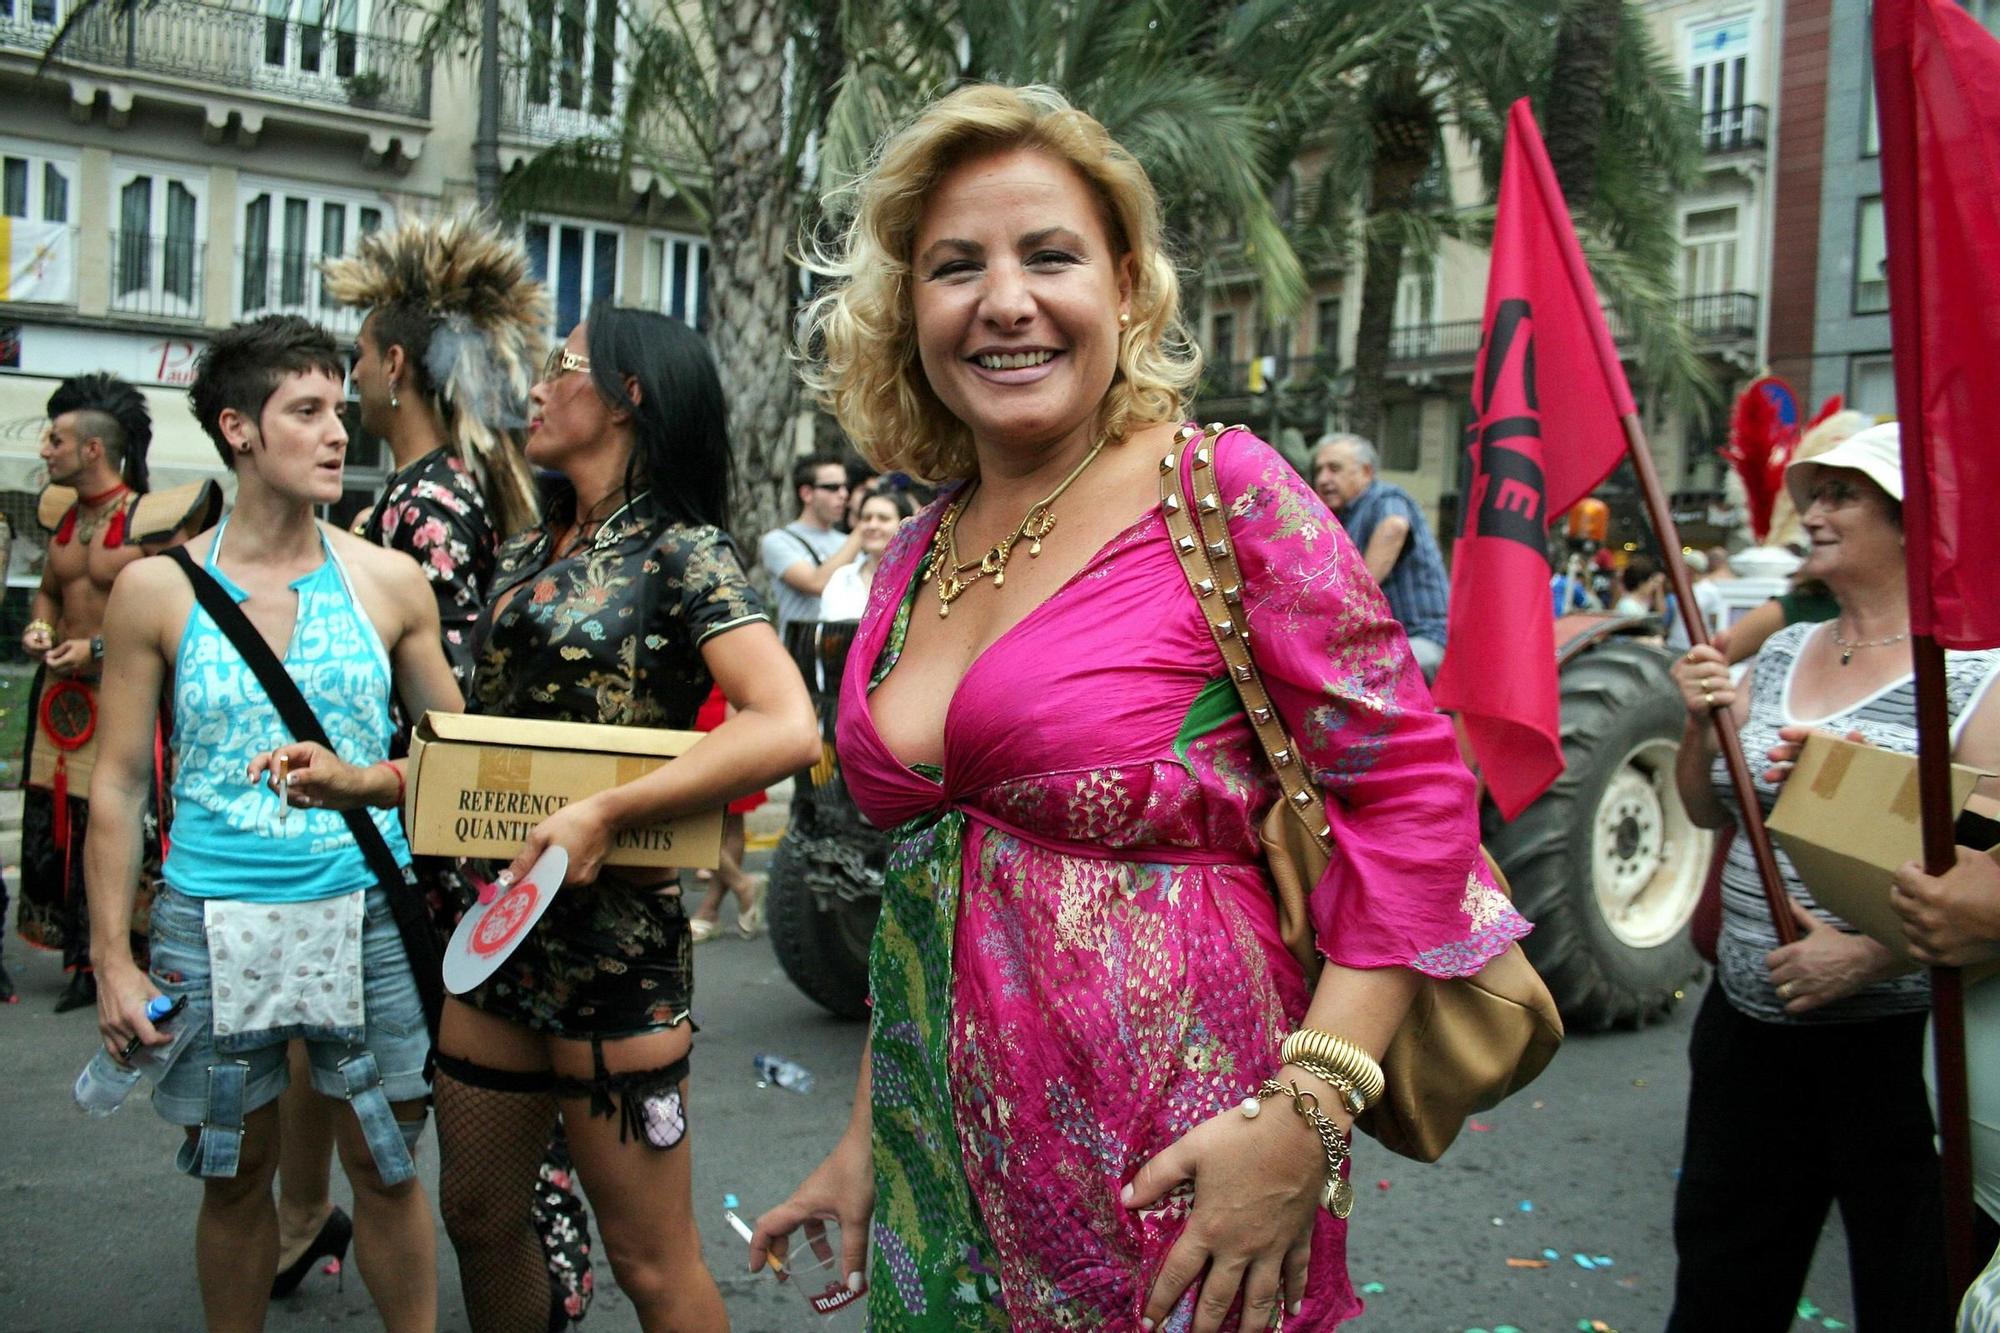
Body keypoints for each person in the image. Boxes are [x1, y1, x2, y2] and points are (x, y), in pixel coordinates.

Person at [751, 83, 1526, 1331]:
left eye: (1047, 255)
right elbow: (929, 884)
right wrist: (866, 1135)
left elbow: (1413, 800)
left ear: (1122, 286)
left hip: (1186, 1177)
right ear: (908, 312)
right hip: (938, 1182)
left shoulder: (1219, 492)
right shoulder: (913, 552)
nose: (1003, 300)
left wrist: (1306, 1117)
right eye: (956, 266)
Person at [419, 305, 816, 1332]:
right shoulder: (522, 550)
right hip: (499, 929)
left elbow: (783, 725)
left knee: (651, 1261)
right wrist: (369, 780)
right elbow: (497, 753)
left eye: (564, 368)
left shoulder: (685, 553)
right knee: (475, 1215)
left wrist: (604, 815)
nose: (540, 388)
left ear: (629, 395)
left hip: (613, 948)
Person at [86, 314, 462, 1332]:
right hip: (209, 923)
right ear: (238, 428)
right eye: (307, 411)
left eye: (341, 407)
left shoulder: (387, 581)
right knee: (234, 1174)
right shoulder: (155, 590)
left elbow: (459, 763)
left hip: (368, 917)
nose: (339, 431)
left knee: (384, 1167)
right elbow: (117, 784)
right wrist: (112, 959)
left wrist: (366, 779)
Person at [327, 213, 600, 1327]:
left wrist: (385, 793)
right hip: (444, 828)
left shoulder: (424, 502)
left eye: (354, 355)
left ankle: (546, 1271)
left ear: (394, 364)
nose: (348, 377)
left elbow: (440, 707)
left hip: (438, 837)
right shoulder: (450, 487)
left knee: (486, 1093)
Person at [1666, 422, 2000, 1332]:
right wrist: (1701, 725)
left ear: (1909, 522)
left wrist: (1862, 957)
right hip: (1742, 1030)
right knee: (1724, 1281)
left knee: (1905, 1287)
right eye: (1812, 493)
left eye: (1839, 495)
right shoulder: (1777, 654)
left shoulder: (1971, 676)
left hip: (1895, 1051)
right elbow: (1706, 812)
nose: (1810, 513)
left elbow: (1986, 887)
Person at [18, 374, 154, 1011]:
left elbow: (167, 614)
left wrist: (97, 649)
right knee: (55, 822)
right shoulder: (64, 517)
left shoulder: (146, 520)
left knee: (112, 822)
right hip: (56, 700)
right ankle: (78, 955)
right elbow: (50, 589)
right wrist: (42, 625)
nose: (45, 449)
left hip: (120, 701)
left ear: (93, 450)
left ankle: (120, 956)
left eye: (56, 438)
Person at [1309, 432, 1449, 680]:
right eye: (1319, 470)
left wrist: (1351, 597)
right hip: (1384, 646)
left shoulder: (1384, 497)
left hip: (1423, 640)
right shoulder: (1339, 519)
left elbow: (1394, 526)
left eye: (1334, 469)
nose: (1323, 479)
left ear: (1366, 471)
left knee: (1344, 680)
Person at [759, 453, 863, 638]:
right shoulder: (778, 540)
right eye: (832, 488)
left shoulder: (849, 542)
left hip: (843, 650)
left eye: (845, 487)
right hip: (801, 653)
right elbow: (816, 583)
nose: (843, 495)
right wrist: (862, 529)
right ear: (806, 493)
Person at [818, 486, 914, 622]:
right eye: (866, 518)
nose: (872, 525)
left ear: (904, 525)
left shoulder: (916, 578)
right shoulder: (842, 576)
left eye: (883, 518)